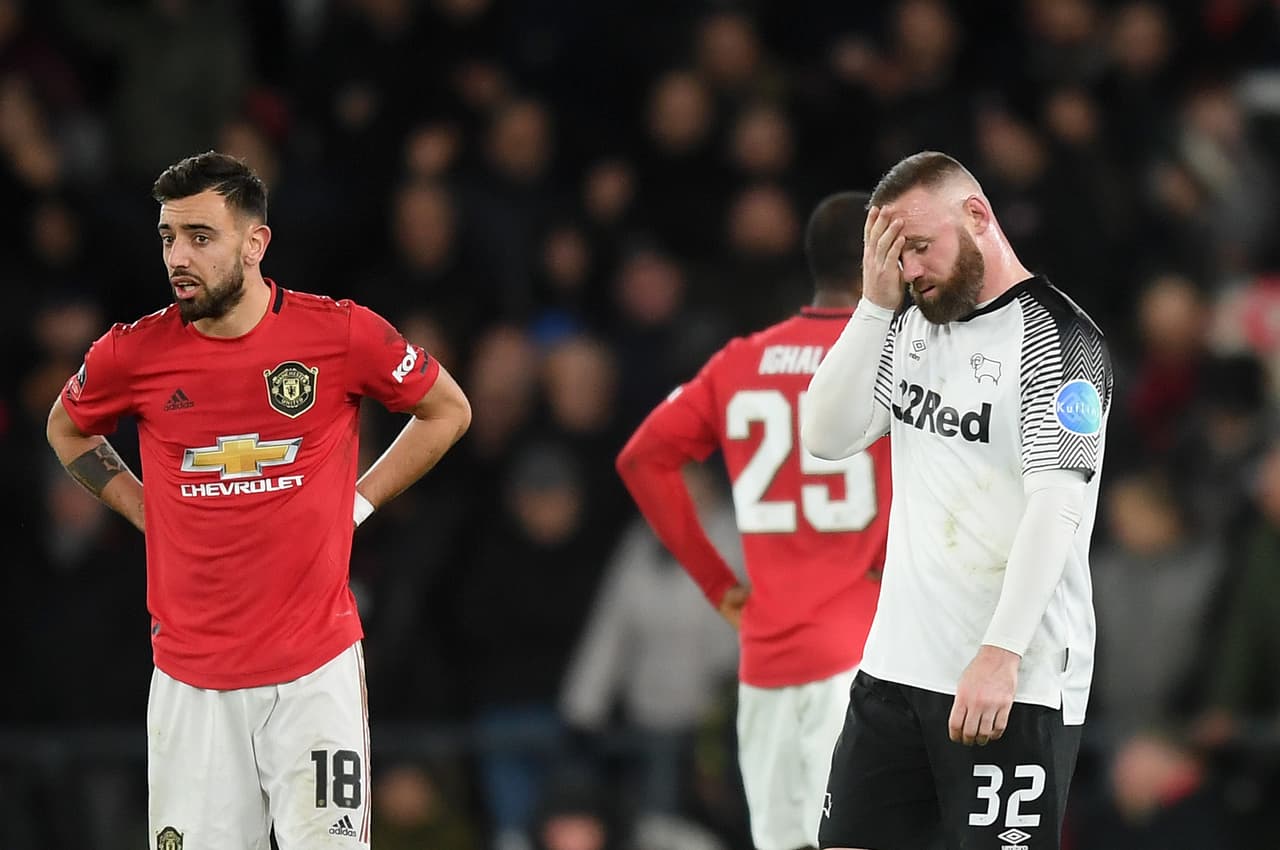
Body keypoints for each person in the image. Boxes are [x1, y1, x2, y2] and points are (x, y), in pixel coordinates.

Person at [44, 151, 472, 849]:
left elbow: (448, 410)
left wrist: (358, 503)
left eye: (200, 237)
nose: (178, 257)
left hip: (315, 676)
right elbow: (66, 429)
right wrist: (147, 509)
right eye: (168, 237)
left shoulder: (338, 334)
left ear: (255, 243)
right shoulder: (133, 353)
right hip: (191, 685)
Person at [802, 151, 1112, 850]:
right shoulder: (910, 321)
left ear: (976, 216)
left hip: (1012, 678)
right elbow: (825, 435)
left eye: (918, 245)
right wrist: (873, 305)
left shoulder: (1059, 340)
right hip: (894, 668)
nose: (910, 269)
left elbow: (1056, 507)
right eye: (894, 254)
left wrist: (1000, 653)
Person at [616, 191, 893, 850]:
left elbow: (641, 460)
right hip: (858, 654)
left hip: (766, 662)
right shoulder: (897, 356)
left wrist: (719, 585)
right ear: (876, 261)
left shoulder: (740, 360)